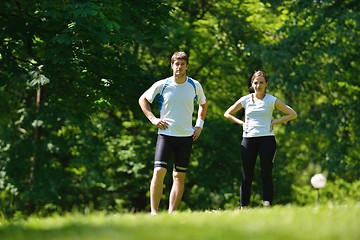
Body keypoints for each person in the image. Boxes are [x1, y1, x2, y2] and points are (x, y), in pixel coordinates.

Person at [138, 51, 208, 215]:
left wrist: (199, 125)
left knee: (179, 176)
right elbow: (143, 99)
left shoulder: (194, 85)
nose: (179, 67)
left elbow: (203, 104)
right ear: (172, 65)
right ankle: (154, 212)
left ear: (187, 66)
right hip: (166, 135)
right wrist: (153, 119)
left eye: (182, 64)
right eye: (176, 64)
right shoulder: (162, 84)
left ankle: (171, 213)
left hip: (186, 137)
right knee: (159, 171)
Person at [224, 70, 297, 208]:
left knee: (266, 174)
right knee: (247, 176)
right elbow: (227, 113)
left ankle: (267, 204)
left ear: (266, 84)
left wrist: (275, 121)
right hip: (248, 139)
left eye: (261, 83)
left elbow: (292, 114)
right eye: (256, 83)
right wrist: (241, 123)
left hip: (267, 140)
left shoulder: (271, 100)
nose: (258, 85)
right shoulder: (245, 99)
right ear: (252, 84)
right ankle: (243, 207)